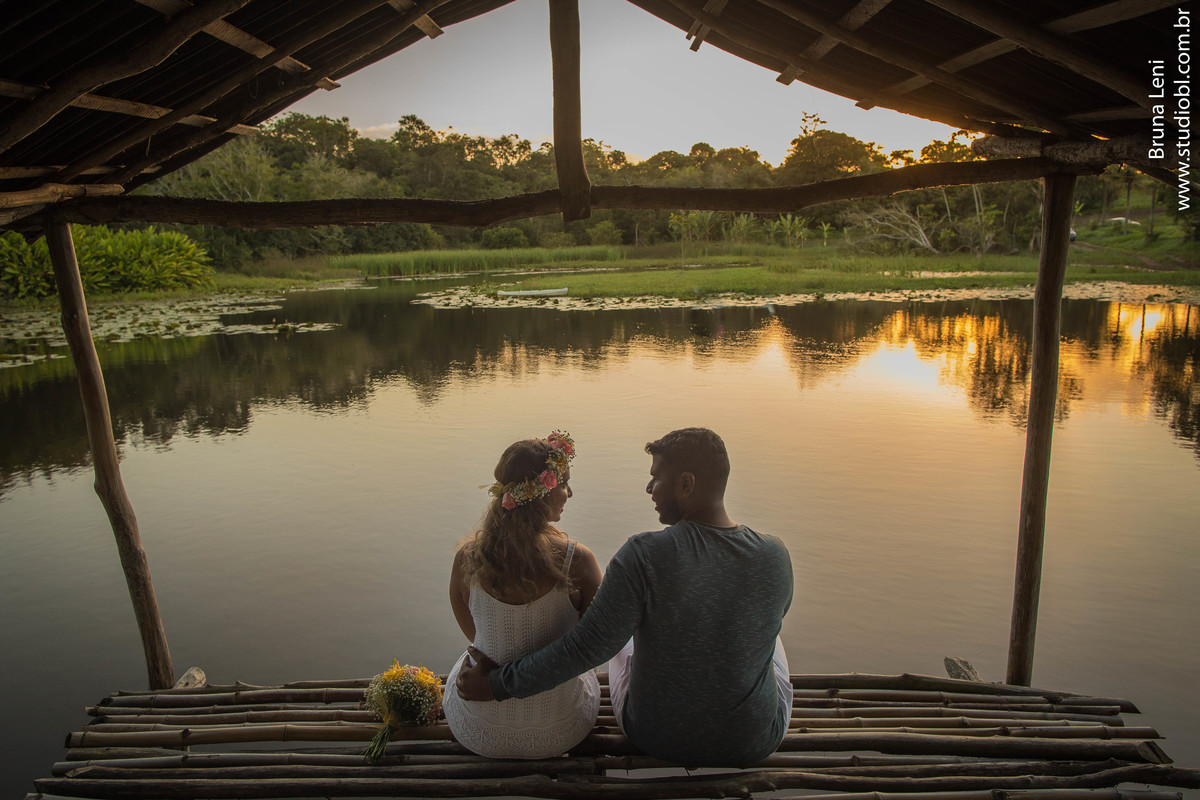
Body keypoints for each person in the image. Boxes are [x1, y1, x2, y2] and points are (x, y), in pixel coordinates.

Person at [457, 427, 793, 768]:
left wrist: (497, 684)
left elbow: (588, 649)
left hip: (655, 735)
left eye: (656, 478)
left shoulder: (643, 554)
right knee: (772, 637)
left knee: (621, 641)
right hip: (754, 739)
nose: (649, 488)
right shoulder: (775, 555)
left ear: (686, 484)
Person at [441, 431, 604, 759]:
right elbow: (594, 644)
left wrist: (502, 651)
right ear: (542, 494)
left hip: (478, 726)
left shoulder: (469, 558)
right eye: (563, 484)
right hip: (559, 727)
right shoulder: (578, 561)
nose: (569, 493)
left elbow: (469, 623)